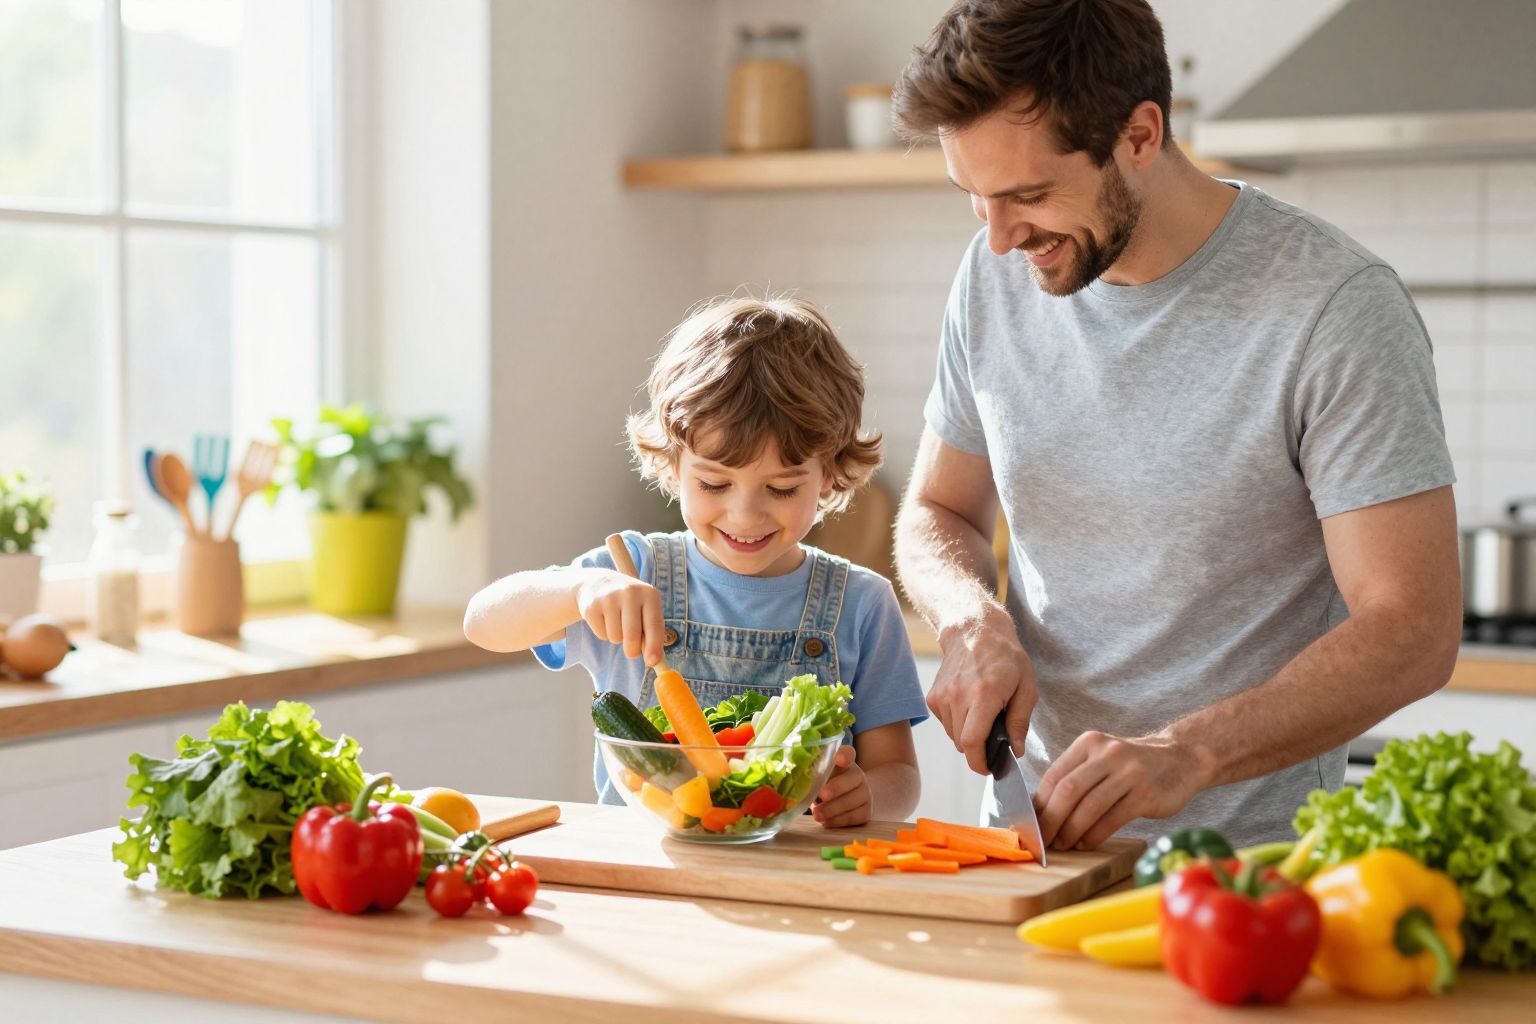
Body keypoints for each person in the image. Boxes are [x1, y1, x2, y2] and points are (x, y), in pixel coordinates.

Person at [890, 0, 1461, 850]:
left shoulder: (1332, 309)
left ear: (1141, 134)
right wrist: (968, 618)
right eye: (973, 199)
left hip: (1253, 873)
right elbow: (939, 510)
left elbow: (1413, 629)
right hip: (1033, 851)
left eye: (1028, 196)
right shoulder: (992, 276)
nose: (1002, 239)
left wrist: (1183, 753)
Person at [464, 296, 926, 827]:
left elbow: (899, 776)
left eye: (780, 488)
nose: (744, 514)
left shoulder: (863, 604)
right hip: (645, 872)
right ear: (672, 464)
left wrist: (869, 794)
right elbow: (482, 622)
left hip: (799, 882)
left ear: (829, 474)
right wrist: (577, 589)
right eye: (713, 483)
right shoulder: (629, 572)